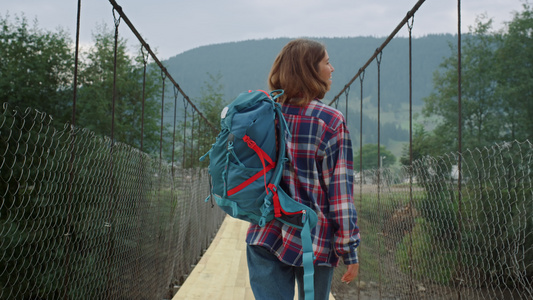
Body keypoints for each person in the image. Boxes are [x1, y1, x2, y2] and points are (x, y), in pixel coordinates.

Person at [246, 38, 360, 300]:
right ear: (310, 69)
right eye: (327, 62)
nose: (332, 69)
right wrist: (349, 248)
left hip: (265, 233)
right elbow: (340, 194)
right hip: (314, 240)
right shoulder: (330, 121)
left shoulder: (264, 114)